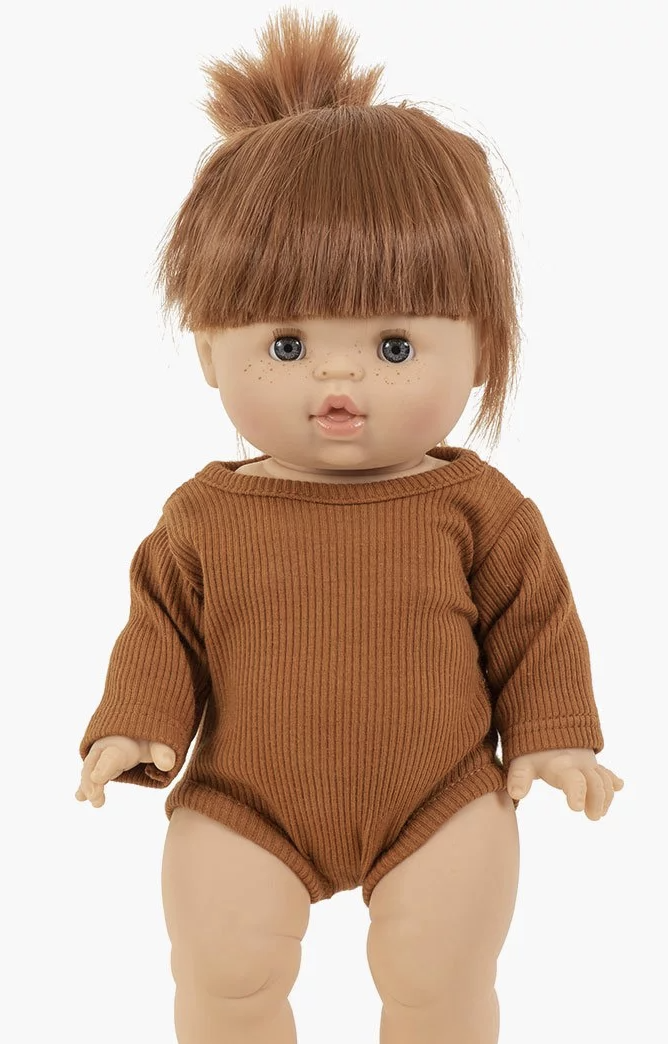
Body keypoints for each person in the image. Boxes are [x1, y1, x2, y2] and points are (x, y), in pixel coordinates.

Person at [75, 8, 624, 1043]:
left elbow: (535, 627)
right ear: (209, 349)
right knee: (223, 970)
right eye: (286, 346)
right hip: (245, 798)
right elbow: (161, 632)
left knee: (439, 978)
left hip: (439, 796)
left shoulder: (480, 511)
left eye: (392, 344)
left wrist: (553, 737)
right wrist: (134, 724)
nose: (338, 377)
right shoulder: (203, 516)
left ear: (480, 349)